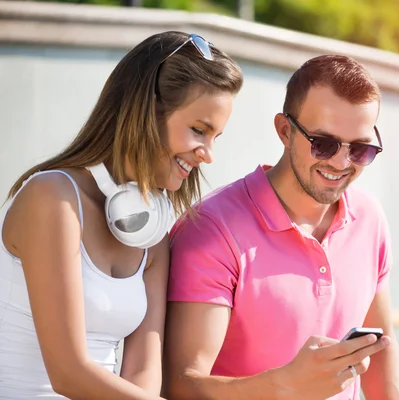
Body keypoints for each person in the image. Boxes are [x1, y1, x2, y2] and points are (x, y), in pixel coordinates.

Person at [0, 31, 243, 399]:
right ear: (147, 111)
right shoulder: (52, 198)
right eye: (199, 130)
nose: (207, 153)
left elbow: (144, 370)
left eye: (216, 137)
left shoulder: (153, 233)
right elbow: (68, 373)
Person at [164, 54, 399, 399]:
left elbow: (381, 347)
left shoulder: (370, 218)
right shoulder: (211, 229)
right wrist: (285, 386)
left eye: (360, 149)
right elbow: (180, 385)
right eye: (323, 144)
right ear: (284, 131)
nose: (341, 162)